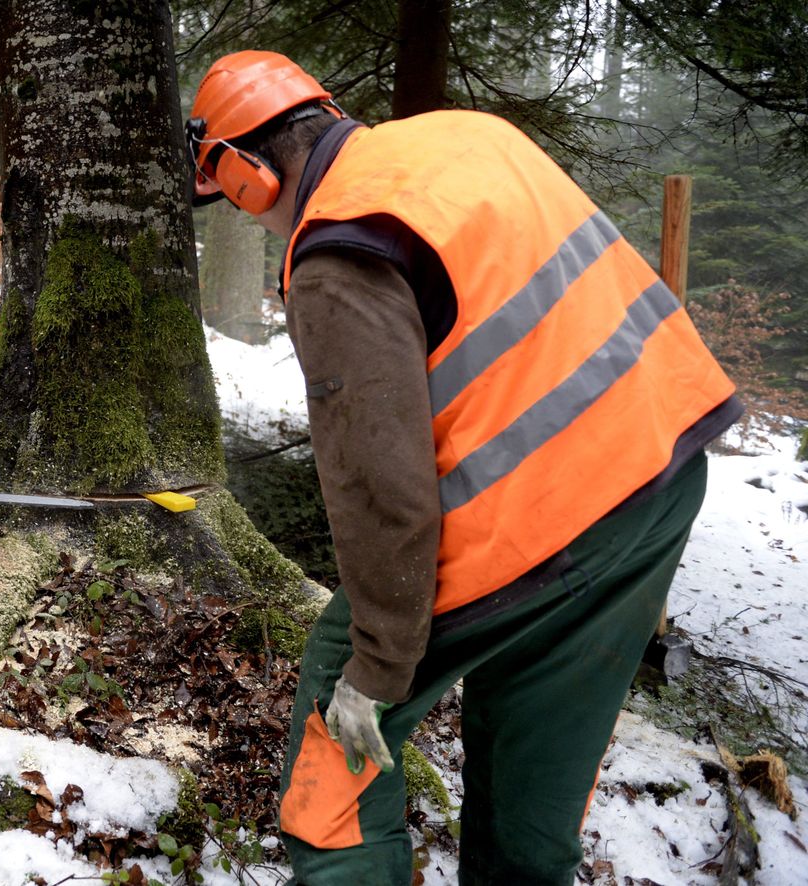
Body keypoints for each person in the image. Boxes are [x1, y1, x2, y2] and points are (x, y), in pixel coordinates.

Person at [186, 52, 742, 884]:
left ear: (245, 175)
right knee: (536, 764)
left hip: (537, 519)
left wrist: (376, 666)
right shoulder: (466, 137)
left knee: (339, 744)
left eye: (234, 200)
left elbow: (382, 490)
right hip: (660, 479)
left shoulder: (335, 251)